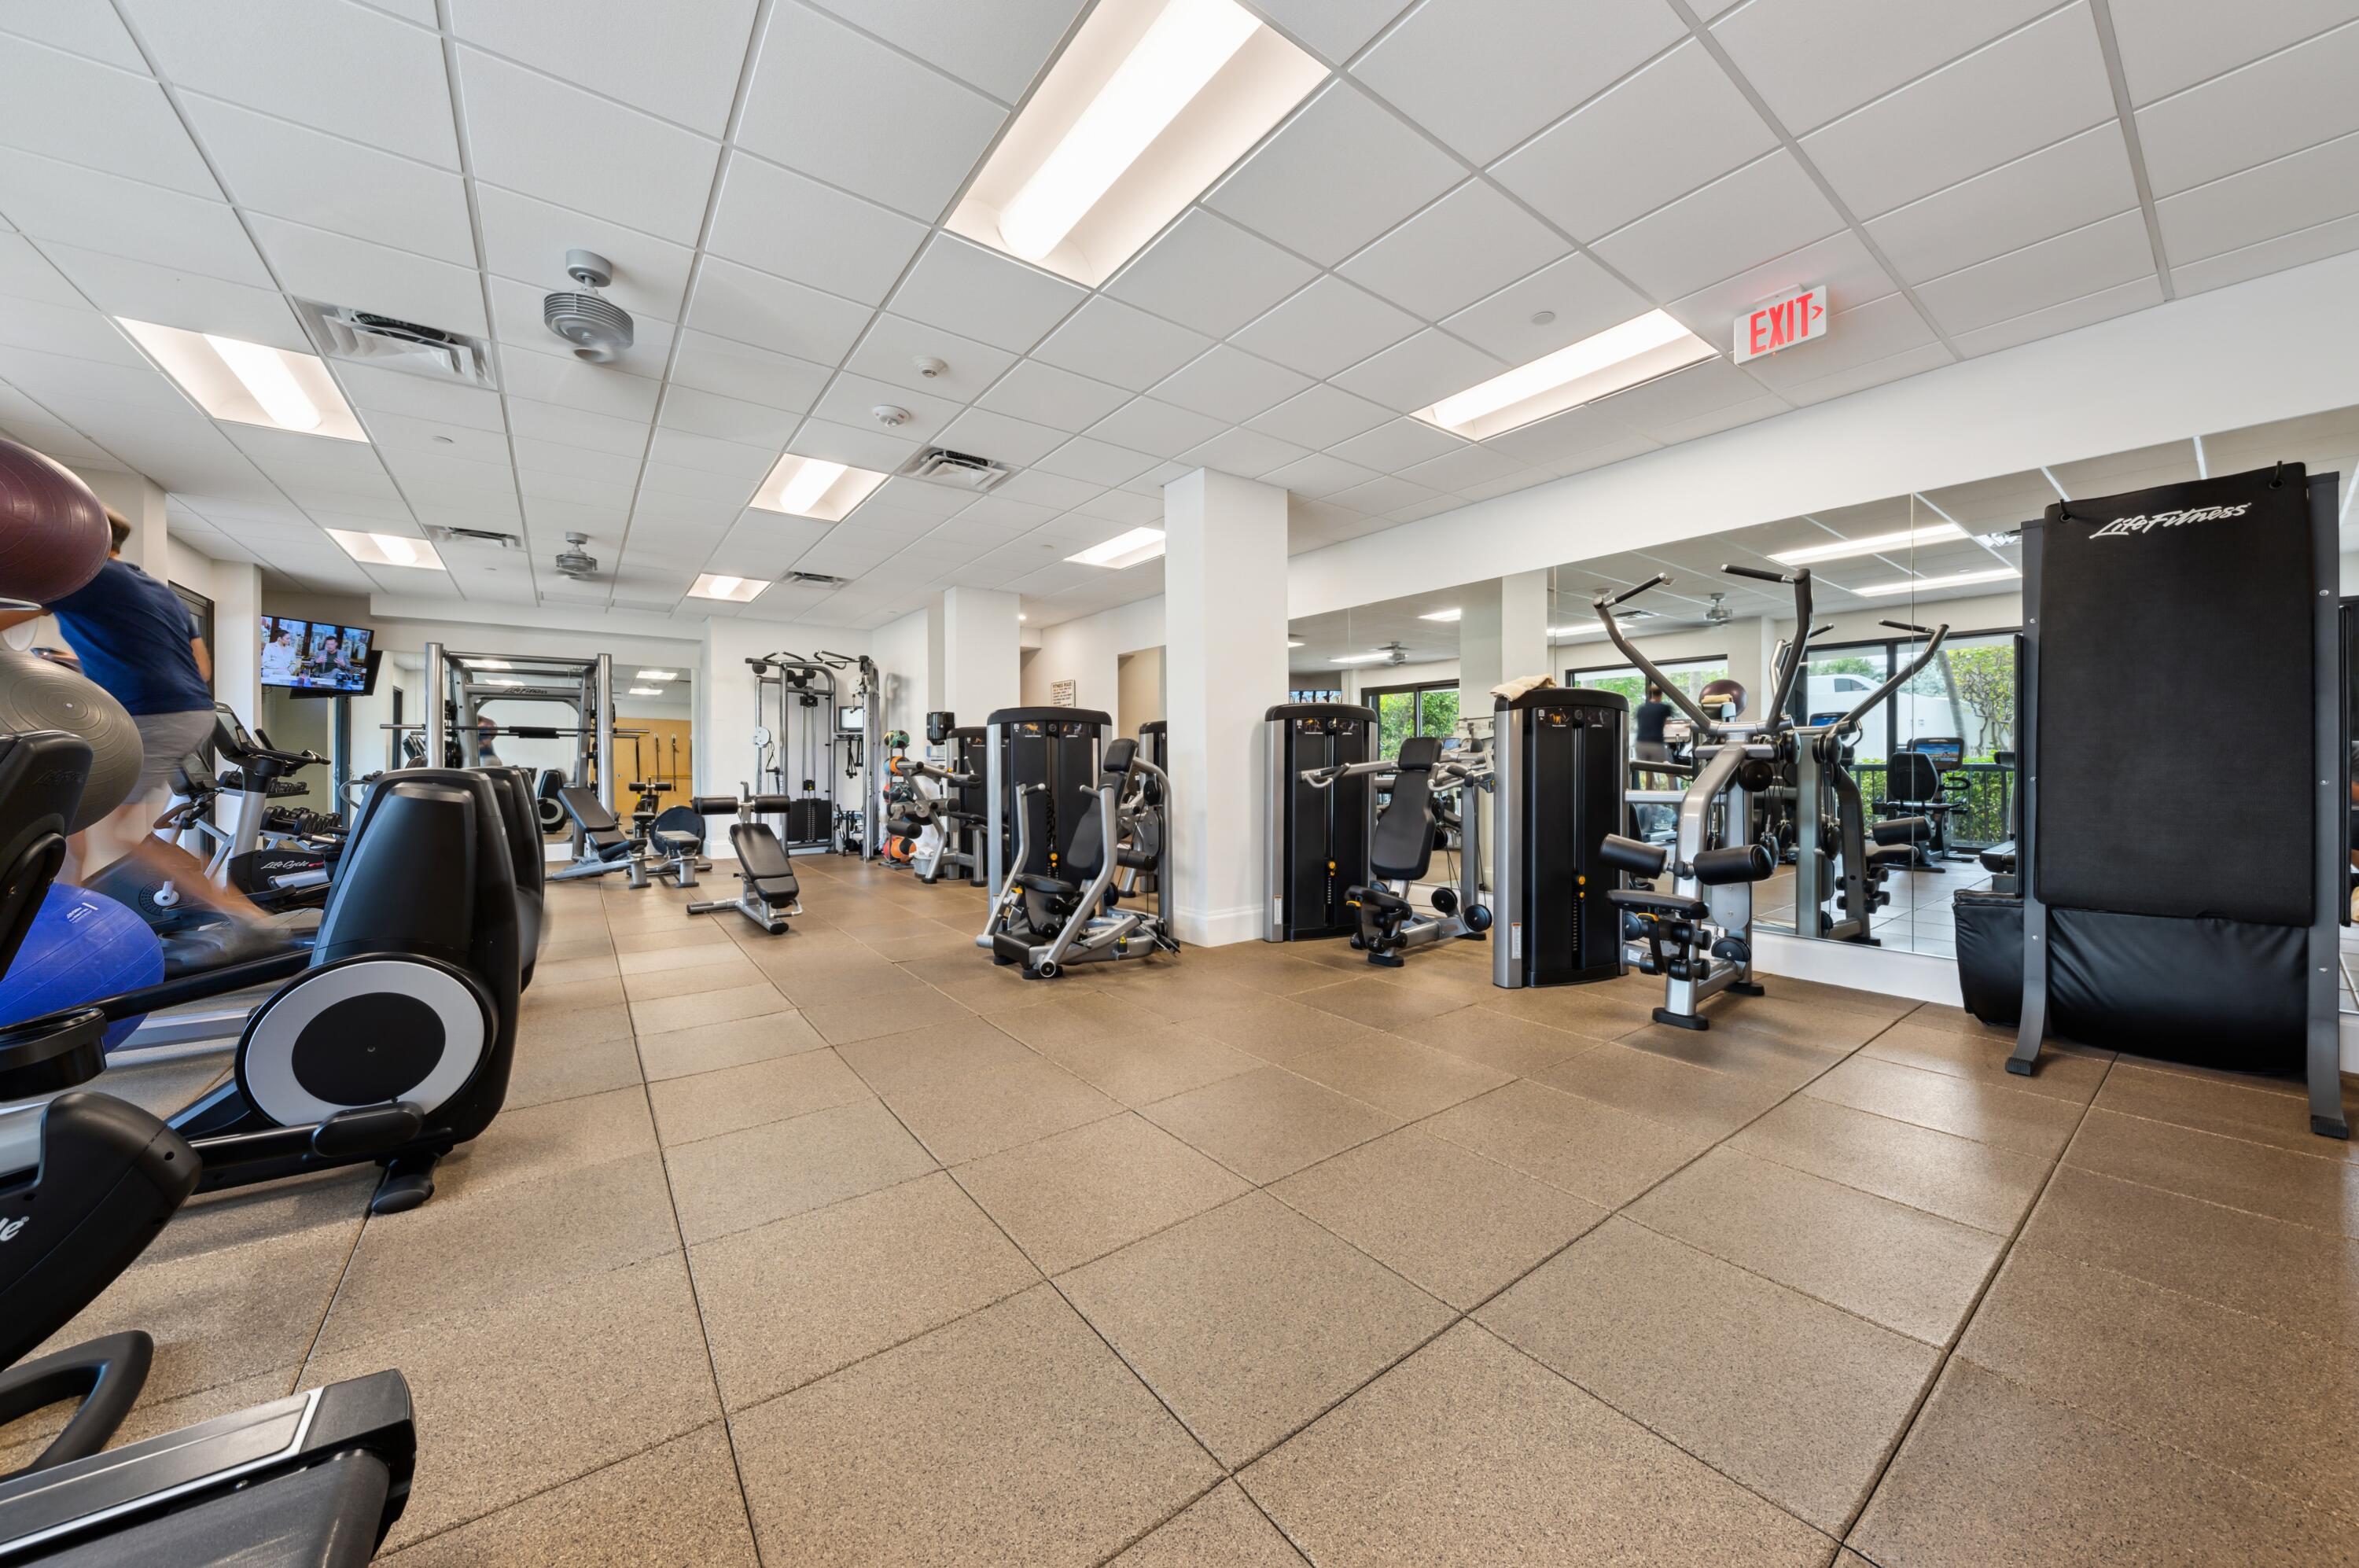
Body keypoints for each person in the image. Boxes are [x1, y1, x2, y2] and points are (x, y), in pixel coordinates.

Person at [0, 510, 258, 925]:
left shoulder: (81, 574)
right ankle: (57, 909)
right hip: (188, 711)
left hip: (152, 715)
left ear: (81, 540)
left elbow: (11, 617)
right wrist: (89, 664)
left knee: (103, 832)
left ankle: (240, 913)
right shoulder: (155, 589)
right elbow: (200, 668)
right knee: (72, 818)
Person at [1633, 682, 1672, 764]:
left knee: (1648, 768)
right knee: (1668, 766)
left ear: (1651, 694)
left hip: (1640, 743)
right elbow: (1666, 724)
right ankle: (1672, 777)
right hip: (1656, 743)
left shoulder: (1641, 708)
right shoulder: (1664, 708)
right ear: (1661, 695)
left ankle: (1649, 778)